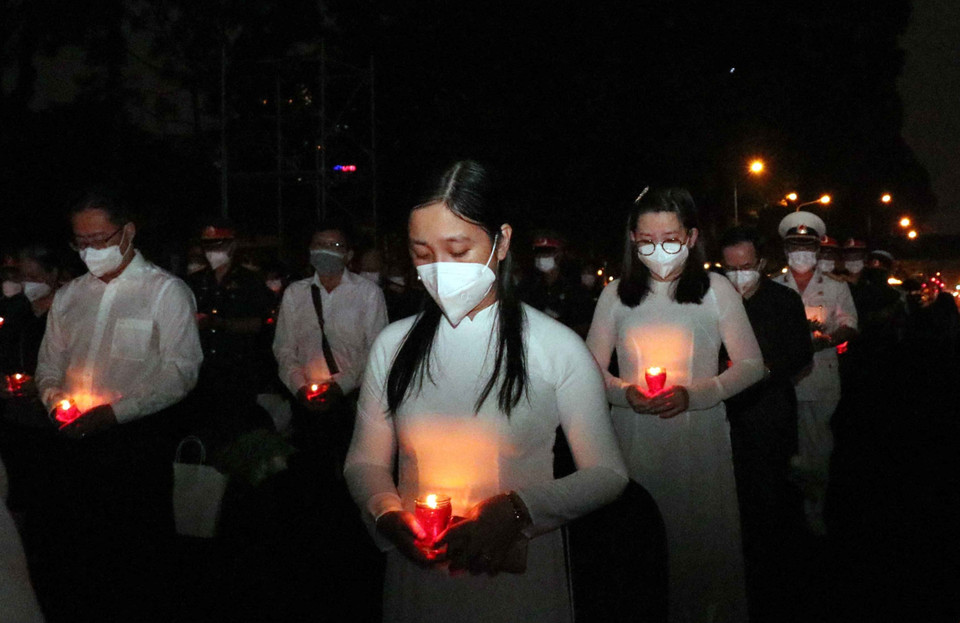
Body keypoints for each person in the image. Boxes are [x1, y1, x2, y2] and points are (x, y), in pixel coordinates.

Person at [344, 160, 627, 623]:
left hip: (517, 584)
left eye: (458, 251)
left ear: (503, 241)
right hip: (419, 577)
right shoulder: (393, 346)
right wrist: (385, 513)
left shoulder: (556, 348)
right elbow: (366, 461)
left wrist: (519, 509)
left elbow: (608, 474)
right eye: (422, 253)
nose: (440, 270)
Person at [586, 187, 763, 622]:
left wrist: (695, 394)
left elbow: (752, 364)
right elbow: (589, 370)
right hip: (632, 438)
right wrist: (622, 392)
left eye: (669, 237)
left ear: (690, 237)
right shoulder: (615, 295)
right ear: (632, 240)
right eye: (646, 240)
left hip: (698, 442)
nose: (658, 248)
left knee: (699, 544)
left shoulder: (716, 290)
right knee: (640, 546)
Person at [34, 190, 203, 621]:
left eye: (99, 238)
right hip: (72, 440)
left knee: (139, 558)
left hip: (135, 443)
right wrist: (57, 403)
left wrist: (115, 413)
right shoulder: (70, 297)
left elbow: (180, 371)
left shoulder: (166, 292)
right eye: (81, 242)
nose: (90, 250)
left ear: (127, 232)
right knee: (78, 556)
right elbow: (49, 367)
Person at [719, 226, 813, 621]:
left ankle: (772, 580)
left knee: (769, 498)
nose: (740, 275)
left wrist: (763, 371)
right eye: (731, 268)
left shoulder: (783, 300)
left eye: (746, 266)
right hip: (724, 416)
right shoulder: (715, 301)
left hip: (769, 413)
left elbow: (801, 355)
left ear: (760, 263)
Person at [273, 217, 388, 465]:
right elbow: (284, 348)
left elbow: (376, 350)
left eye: (334, 246)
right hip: (304, 404)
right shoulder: (296, 293)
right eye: (319, 244)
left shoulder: (368, 294)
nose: (326, 251)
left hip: (350, 403)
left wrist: (339, 387)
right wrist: (300, 387)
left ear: (348, 255)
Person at [772, 212, 858, 536]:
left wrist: (830, 339)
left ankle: (815, 508)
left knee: (817, 446)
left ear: (817, 250)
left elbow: (850, 324)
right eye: (794, 245)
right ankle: (783, 509)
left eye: (807, 246)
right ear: (785, 250)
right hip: (781, 380)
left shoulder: (835, 288)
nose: (801, 252)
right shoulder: (773, 286)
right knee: (782, 447)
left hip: (820, 376)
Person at [186, 219, 275, 447]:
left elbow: (258, 324)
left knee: (237, 439)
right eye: (207, 245)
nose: (212, 250)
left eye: (218, 244)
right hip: (201, 375)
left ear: (232, 245)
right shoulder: (195, 282)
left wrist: (218, 323)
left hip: (238, 373)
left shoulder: (250, 281)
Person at [517, 232, 594, 338]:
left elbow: (585, 324)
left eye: (547, 252)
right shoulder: (528, 285)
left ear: (559, 254)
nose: (542, 256)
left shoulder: (573, 287)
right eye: (539, 252)